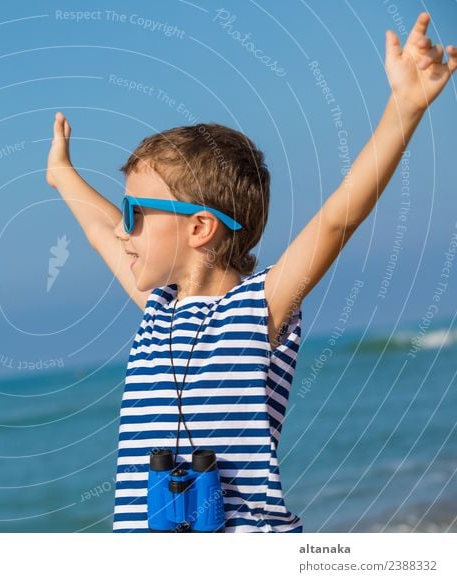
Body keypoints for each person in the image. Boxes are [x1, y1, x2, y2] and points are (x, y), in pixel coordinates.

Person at [45, 12, 457, 532]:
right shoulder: (158, 313)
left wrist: (406, 106)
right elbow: (102, 230)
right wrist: (63, 177)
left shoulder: (260, 308)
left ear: (199, 229)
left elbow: (336, 222)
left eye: (135, 214)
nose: (122, 230)